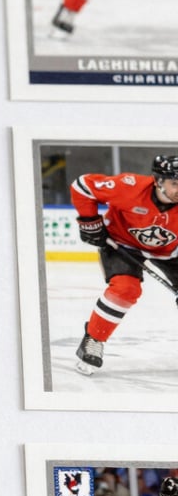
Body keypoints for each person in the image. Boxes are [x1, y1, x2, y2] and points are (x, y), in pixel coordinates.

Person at [70, 154, 178, 374]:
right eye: (175, 183)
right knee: (125, 289)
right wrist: (90, 221)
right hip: (121, 243)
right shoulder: (129, 187)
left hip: (171, 251)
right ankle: (94, 339)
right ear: (158, 181)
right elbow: (82, 186)